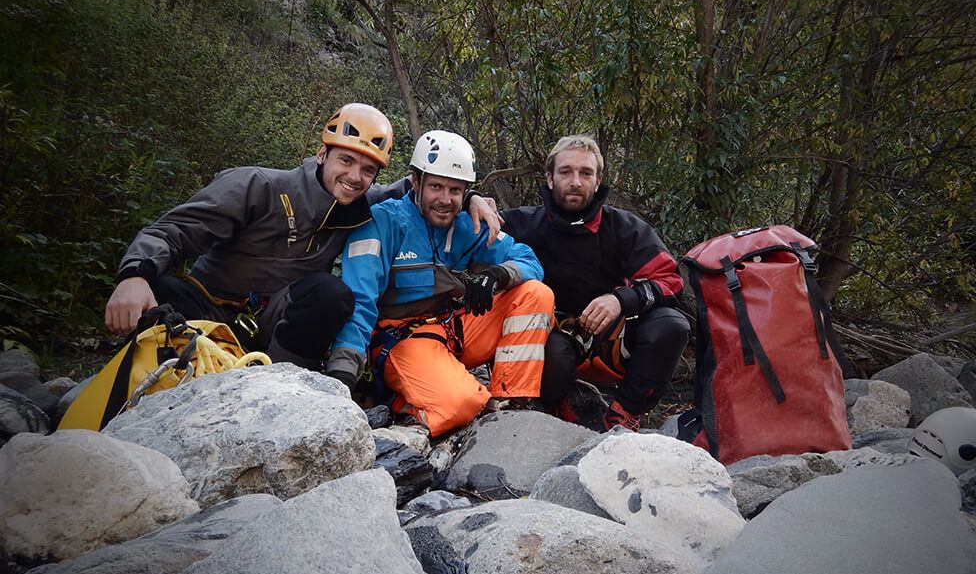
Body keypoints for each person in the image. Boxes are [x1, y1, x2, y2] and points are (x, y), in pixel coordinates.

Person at [104, 103, 500, 369]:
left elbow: (425, 193)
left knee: (332, 294)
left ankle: (279, 382)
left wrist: (473, 199)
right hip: (207, 306)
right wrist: (134, 276)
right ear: (322, 154)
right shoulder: (257, 186)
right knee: (157, 288)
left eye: (367, 169)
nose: (355, 176)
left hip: (273, 320)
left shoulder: (361, 205)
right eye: (346, 159)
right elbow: (174, 230)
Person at [326, 130, 554, 436]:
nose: (445, 200)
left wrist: (498, 274)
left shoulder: (468, 224)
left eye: (456, 190)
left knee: (534, 294)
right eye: (436, 187)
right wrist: (342, 376)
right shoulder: (381, 223)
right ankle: (403, 403)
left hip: (454, 329)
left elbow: (530, 261)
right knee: (462, 404)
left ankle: (510, 401)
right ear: (416, 182)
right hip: (402, 339)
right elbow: (360, 300)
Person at [500, 134, 690, 431]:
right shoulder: (520, 224)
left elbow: (670, 280)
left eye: (586, 173)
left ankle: (624, 412)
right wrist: (474, 200)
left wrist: (621, 299)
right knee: (554, 355)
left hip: (611, 336)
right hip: (554, 337)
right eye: (566, 172)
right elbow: (446, 208)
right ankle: (553, 404)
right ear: (549, 178)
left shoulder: (625, 228)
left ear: (598, 180)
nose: (575, 181)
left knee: (672, 325)